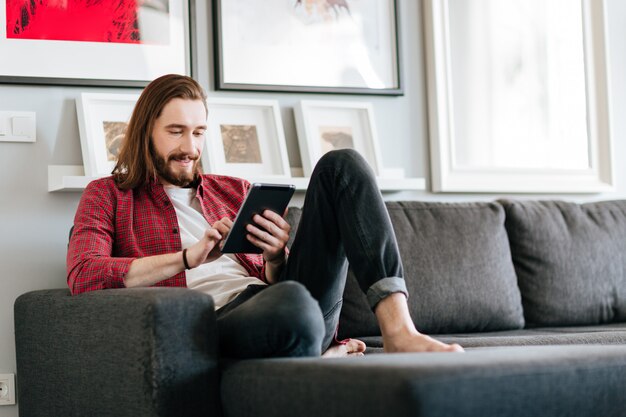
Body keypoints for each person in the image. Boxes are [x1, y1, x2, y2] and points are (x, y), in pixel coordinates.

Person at [67, 74, 463, 358]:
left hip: (282, 301)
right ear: (145, 131)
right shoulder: (108, 196)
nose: (190, 147)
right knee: (290, 303)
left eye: (199, 132)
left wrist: (275, 257)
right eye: (176, 131)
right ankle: (317, 348)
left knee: (342, 165)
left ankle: (398, 330)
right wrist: (189, 257)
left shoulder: (234, 190)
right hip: (216, 322)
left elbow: (278, 280)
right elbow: (84, 273)